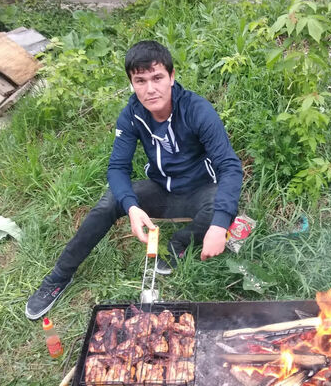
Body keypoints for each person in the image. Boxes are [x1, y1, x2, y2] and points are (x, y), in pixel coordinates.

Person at [25, 40, 243, 320]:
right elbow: (117, 168)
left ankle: (178, 244)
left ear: (172, 77)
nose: (150, 89)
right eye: (140, 81)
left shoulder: (197, 110)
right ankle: (58, 277)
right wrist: (131, 206)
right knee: (110, 201)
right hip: (161, 189)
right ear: (132, 83)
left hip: (200, 191)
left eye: (157, 78)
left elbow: (229, 166)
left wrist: (219, 226)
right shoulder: (131, 115)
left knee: (222, 208)